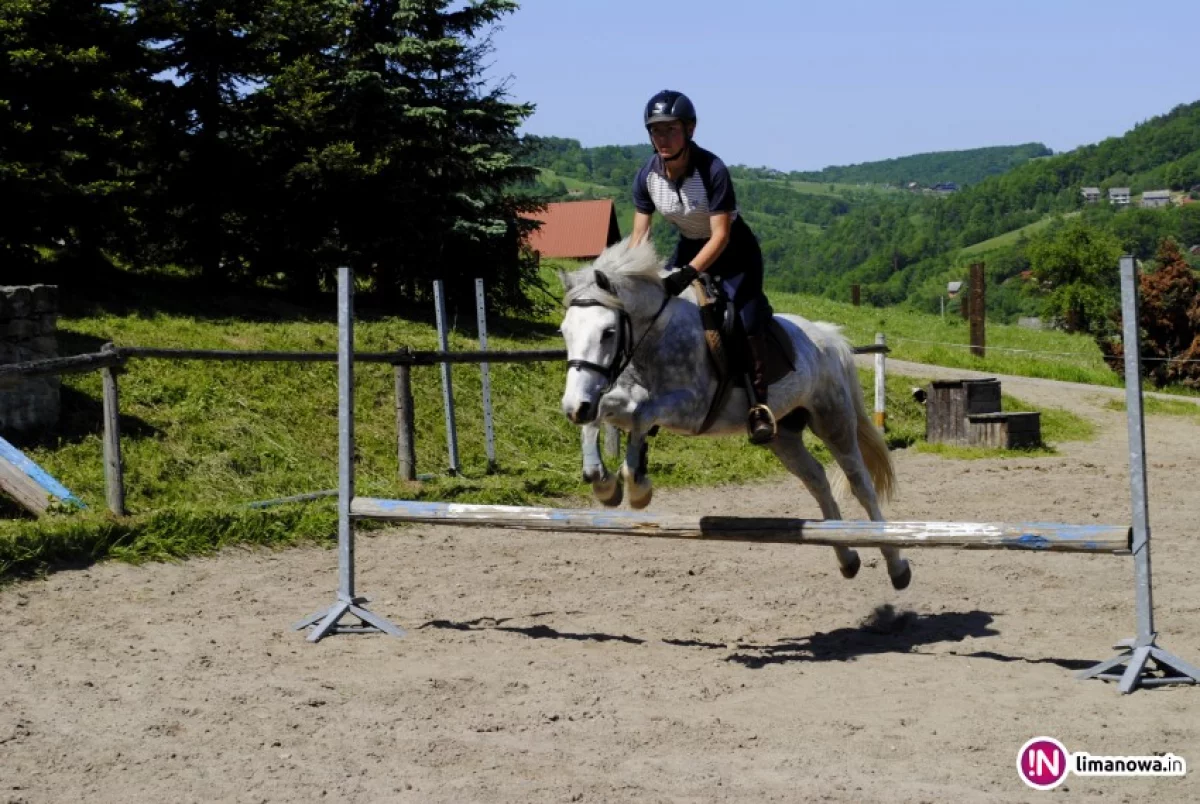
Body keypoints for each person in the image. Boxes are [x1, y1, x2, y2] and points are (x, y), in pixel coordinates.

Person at [629, 89, 776, 444]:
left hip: (734, 251)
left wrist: (688, 273)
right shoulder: (646, 177)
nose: (662, 139)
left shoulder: (712, 170)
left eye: (670, 130)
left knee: (745, 317)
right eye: (656, 131)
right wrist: (632, 278)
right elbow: (639, 237)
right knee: (660, 311)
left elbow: (721, 235)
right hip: (690, 245)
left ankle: (759, 406)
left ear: (689, 130)